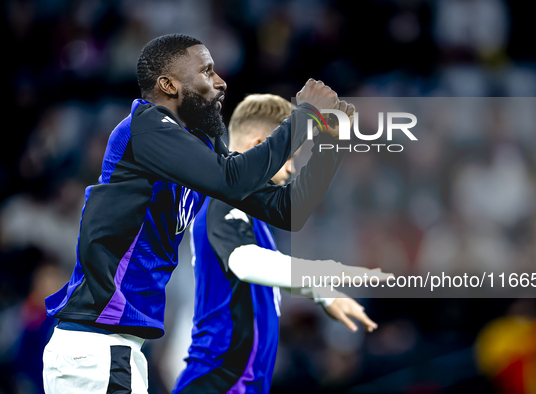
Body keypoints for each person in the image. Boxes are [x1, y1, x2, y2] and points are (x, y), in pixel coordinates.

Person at [42, 33, 349, 394]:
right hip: (95, 348)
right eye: (206, 71)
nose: (220, 82)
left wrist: (330, 142)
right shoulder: (145, 127)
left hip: (115, 350)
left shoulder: (194, 153)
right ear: (168, 84)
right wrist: (302, 116)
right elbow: (232, 179)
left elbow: (288, 210)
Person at [173, 94, 389, 394]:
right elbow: (244, 261)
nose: (291, 170)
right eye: (288, 157)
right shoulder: (222, 202)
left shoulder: (257, 209)